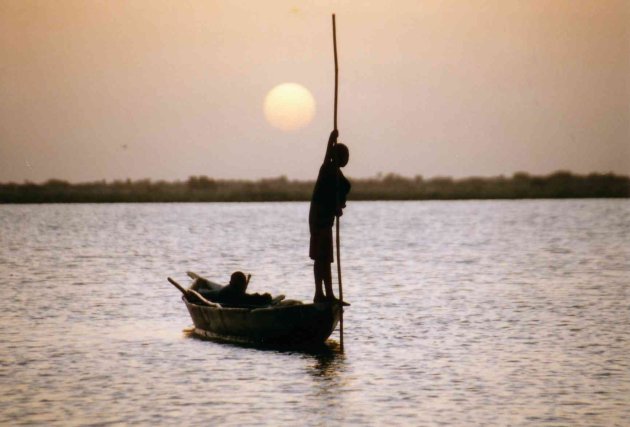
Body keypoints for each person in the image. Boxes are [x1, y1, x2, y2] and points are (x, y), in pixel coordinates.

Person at [309, 129, 351, 303]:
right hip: (319, 218)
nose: (347, 160)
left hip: (327, 220)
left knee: (326, 258)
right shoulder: (328, 168)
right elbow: (327, 157)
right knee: (321, 257)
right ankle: (320, 294)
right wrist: (330, 139)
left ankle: (329, 294)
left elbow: (338, 194)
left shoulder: (336, 172)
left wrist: (338, 206)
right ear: (338, 156)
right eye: (345, 156)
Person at [192, 271, 272, 307]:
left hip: (217, 293)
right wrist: (264, 297)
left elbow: (246, 297)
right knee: (201, 292)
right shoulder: (231, 292)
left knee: (206, 291)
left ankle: (199, 288)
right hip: (210, 295)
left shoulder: (235, 290)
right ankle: (197, 289)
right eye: (242, 283)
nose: (244, 285)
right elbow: (247, 299)